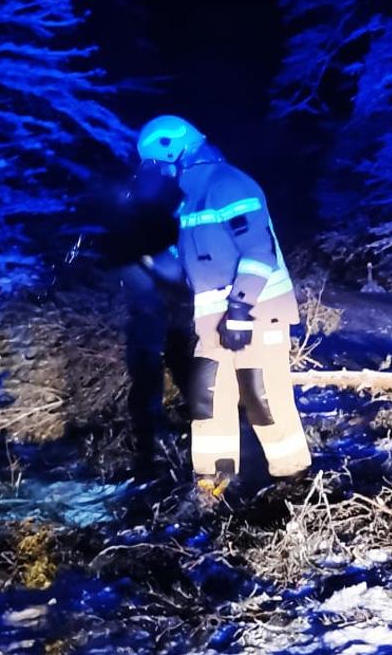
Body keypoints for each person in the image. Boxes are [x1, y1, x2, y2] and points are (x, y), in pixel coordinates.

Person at [136, 116, 310, 500]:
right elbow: (185, 267)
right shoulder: (188, 202)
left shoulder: (229, 184)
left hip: (257, 311)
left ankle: (294, 483)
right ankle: (210, 487)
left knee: (262, 396)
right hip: (213, 321)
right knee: (207, 397)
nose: (157, 174)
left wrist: (241, 310)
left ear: (176, 150)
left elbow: (259, 251)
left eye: (157, 164)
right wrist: (144, 252)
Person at [93, 158, 197, 478]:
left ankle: (155, 453)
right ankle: (157, 451)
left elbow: (157, 263)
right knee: (164, 375)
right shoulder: (156, 215)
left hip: (160, 313)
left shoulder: (153, 217)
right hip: (164, 313)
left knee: (159, 375)